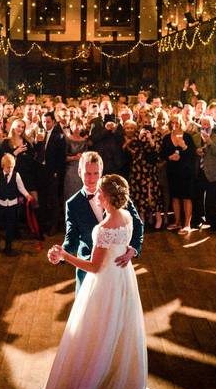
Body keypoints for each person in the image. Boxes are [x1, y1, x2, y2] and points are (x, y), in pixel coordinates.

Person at [37, 174, 158, 389]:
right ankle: (117, 381)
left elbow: (94, 267)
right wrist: (126, 248)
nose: (97, 197)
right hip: (123, 280)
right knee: (119, 330)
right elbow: (128, 231)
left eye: (101, 194)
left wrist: (65, 257)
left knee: (96, 333)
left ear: (108, 196)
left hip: (104, 283)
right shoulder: (124, 215)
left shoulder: (105, 227)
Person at [56, 151, 143, 292]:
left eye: (96, 173)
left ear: (101, 171)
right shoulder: (72, 204)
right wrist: (60, 254)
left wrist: (133, 249)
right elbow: (71, 238)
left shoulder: (116, 194)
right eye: (87, 174)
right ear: (79, 171)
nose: (92, 179)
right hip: (87, 271)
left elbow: (138, 224)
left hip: (117, 270)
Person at [0, 153, 33, 253]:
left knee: (10, 226)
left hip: (12, 204)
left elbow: (21, 188)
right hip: (0, 204)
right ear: (3, 166)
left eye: (12, 167)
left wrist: (27, 195)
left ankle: (8, 246)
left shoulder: (16, 175)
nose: (10, 169)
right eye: (8, 167)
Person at [123, 121, 164, 229]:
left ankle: (159, 218)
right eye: (144, 121)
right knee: (139, 195)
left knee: (153, 195)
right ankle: (142, 219)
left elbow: (157, 151)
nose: (146, 123)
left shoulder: (157, 134)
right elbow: (133, 151)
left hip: (150, 169)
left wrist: (150, 139)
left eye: (148, 121)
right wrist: (139, 139)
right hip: (137, 169)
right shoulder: (137, 135)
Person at [162, 117, 195, 232]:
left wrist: (184, 146)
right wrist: (169, 157)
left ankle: (187, 224)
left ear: (181, 123)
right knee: (175, 197)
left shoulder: (187, 137)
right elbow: (162, 154)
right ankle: (177, 222)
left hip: (186, 171)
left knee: (186, 197)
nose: (175, 124)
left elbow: (192, 154)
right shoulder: (166, 137)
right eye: (173, 122)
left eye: (177, 122)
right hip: (172, 171)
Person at [63, 118, 90, 201]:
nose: (77, 127)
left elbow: (87, 155)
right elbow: (62, 157)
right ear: (71, 127)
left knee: (81, 192)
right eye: (75, 125)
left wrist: (83, 156)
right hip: (70, 169)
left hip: (82, 169)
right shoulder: (66, 139)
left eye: (79, 125)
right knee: (71, 191)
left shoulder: (84, 141)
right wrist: (74, 157)